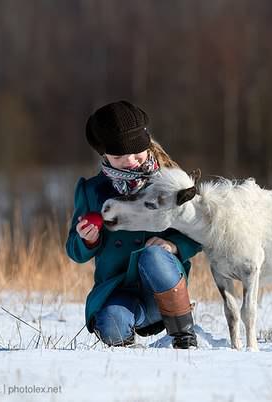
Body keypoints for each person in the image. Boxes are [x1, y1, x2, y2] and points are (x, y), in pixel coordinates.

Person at [65, 100, 202, 349]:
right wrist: (87, 239)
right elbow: (74, 251)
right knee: (111, 324)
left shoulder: (169, 181)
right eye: (118, 156)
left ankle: (184, 338)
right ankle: (129, 351)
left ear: (147, 144)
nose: (130, 161)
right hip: (120, 293)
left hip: (164, 288)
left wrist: (173, 245)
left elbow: (197, 231)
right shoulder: (92, 191)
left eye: (137, 152)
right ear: (104, 155)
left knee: (153, 255)